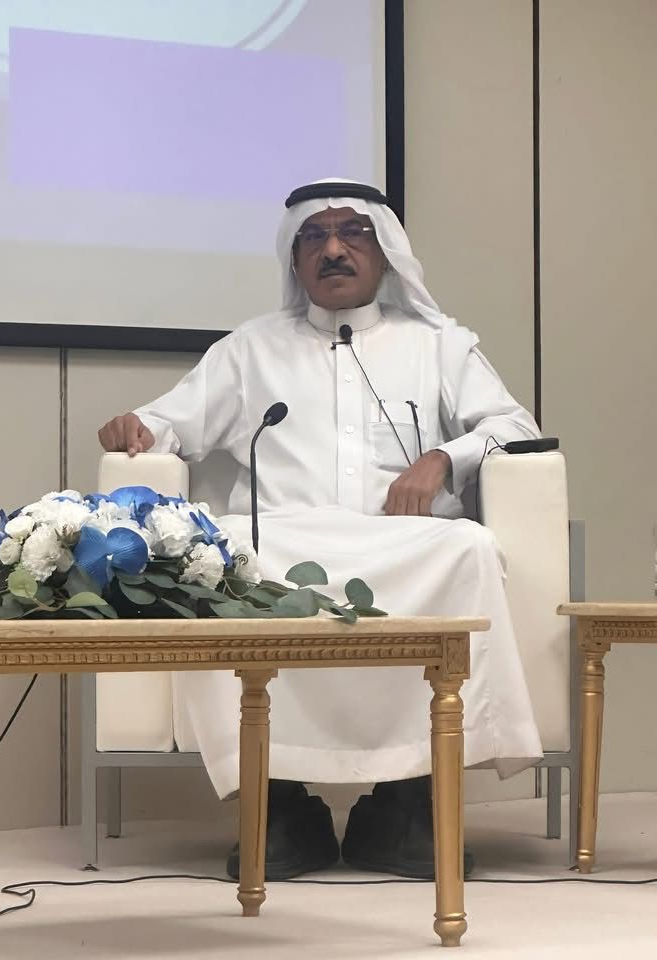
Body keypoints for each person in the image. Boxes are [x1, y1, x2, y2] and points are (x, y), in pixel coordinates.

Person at [98, 178, 543, 881]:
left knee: (470, 548)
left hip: (401, 542)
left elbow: (515, 425)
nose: (334, 249)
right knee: (220, 556)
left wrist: (442, 459)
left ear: (385, 252)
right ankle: (278, 808)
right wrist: (139, 428)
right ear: (295, 256)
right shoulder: (251, 348)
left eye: (352, 233)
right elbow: (171, 421)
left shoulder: (438, 345)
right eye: (315, 236)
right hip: (281, 540)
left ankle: (406, 807)